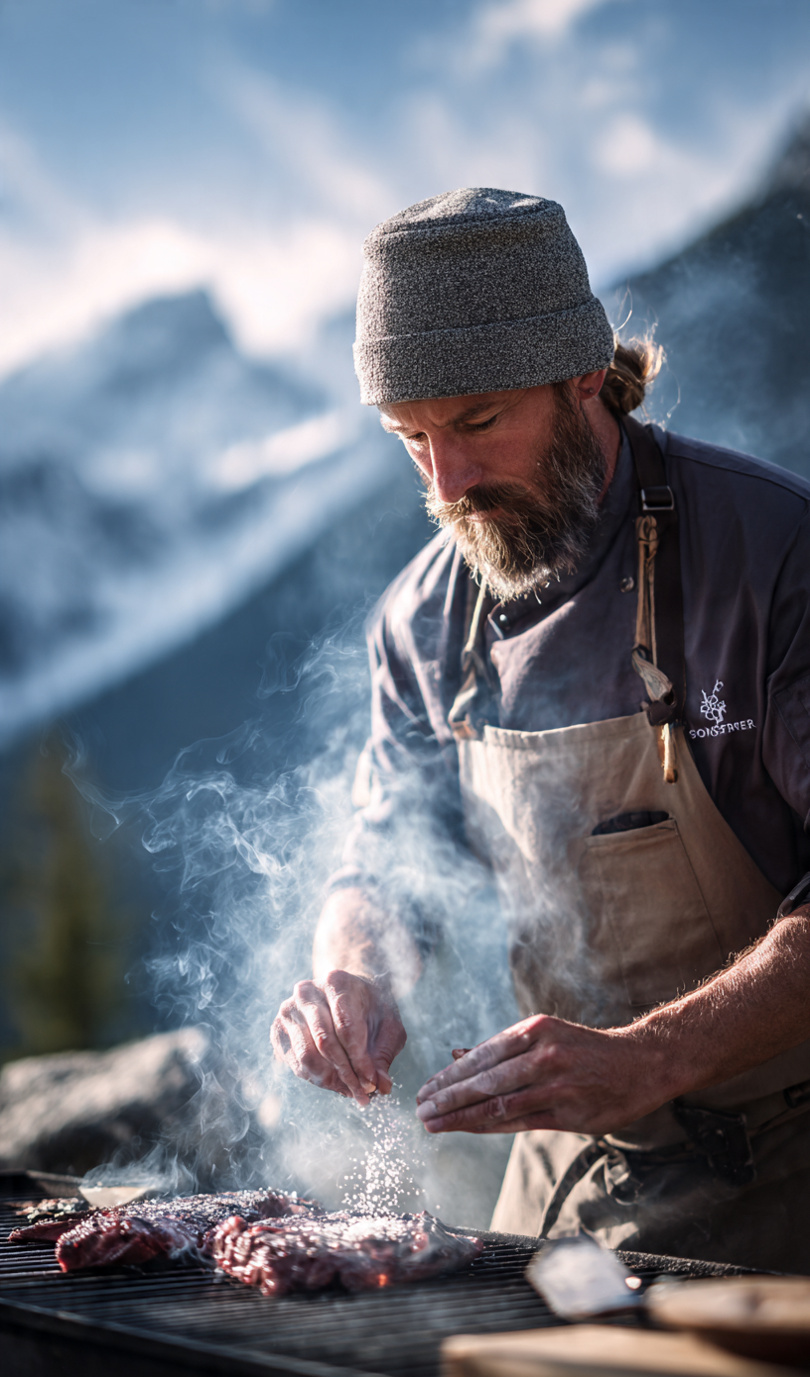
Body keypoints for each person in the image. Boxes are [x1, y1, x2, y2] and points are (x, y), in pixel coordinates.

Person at [271, 188, 810, 1270]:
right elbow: (386, 863)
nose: (449, 483)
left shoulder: (772, 552)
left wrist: (653, 1056)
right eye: (409, 438)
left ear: (585, 375)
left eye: (476, 422)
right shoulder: (422, 621)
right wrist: (357, 973)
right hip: (568, 1181)